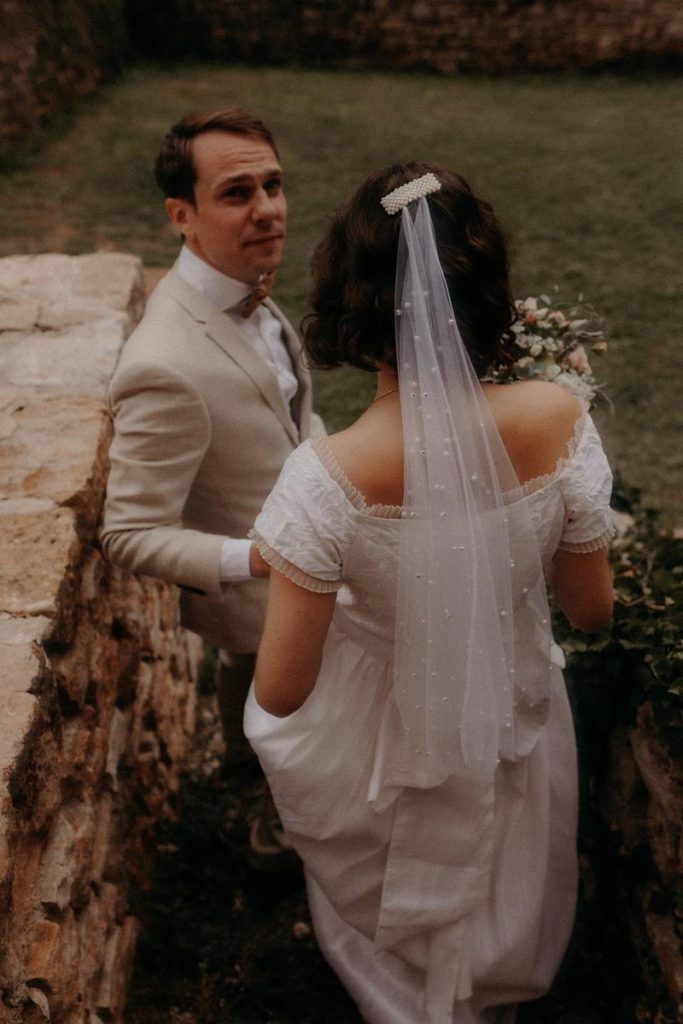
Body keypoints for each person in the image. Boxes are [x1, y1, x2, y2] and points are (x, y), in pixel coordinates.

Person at [244, 163, 614, 1022]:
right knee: (497, 856)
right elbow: (590, 610)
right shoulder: (559, 416)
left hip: (382, 717)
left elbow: (281, 690)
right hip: (512, 691)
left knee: (401, 866)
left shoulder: (322, 480)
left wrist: (310, 576)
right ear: (484, 290)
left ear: (352, 296)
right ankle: (489, 995)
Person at [101, 106, 323, 869]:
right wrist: (259, 559)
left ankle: (243, 767)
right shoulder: (164, 362)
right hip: (271, 593)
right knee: (302, 751)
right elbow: (127, 532)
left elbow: (296, 417)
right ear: (181, 215)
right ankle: (277, 851)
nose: (267, 208)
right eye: (236, 193)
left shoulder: (246, 286)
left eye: (273, 184)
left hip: (294, 580)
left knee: (248, 688)